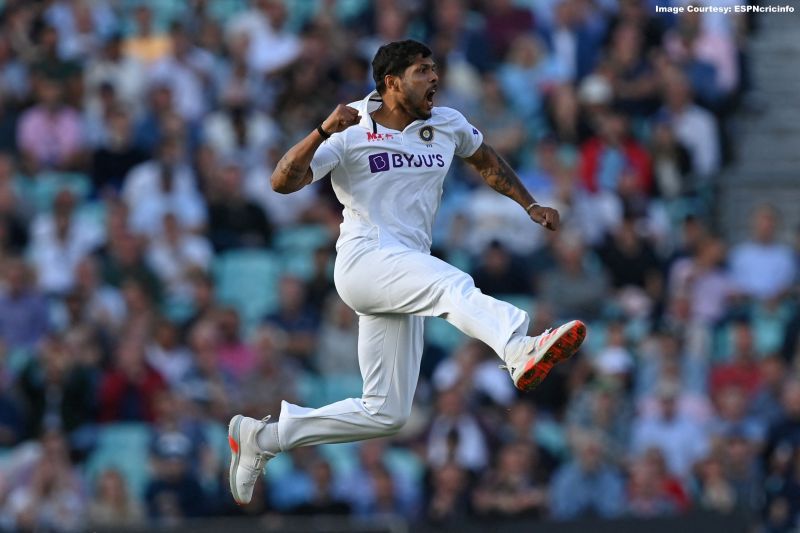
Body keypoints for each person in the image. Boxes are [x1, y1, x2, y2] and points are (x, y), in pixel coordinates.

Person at [227, 40, 587, 505]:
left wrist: (530, 204)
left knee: (387, 412)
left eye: (434, 69)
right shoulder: (351, 125)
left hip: (405, 269)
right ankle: (518, 346)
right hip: (365, 258)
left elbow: (487, 162)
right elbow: (281, 182)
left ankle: (264, 438)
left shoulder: (447, 122)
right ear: (392, 82)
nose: (434, 78)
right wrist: (320, 131)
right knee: (450, 283)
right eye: (422, 71)